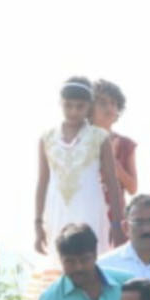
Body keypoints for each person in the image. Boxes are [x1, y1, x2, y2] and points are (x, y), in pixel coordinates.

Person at [34, 77, 120, 262]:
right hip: (57, 211)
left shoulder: (100, 137)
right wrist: (38, 224)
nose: (73, 111)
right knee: (60, 265)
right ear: (60, 104)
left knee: (93, 264)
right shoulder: (47, 138)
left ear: (89, 106)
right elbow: (42, 182)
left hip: (91, 211)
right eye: (68, 105)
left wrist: (117, 225)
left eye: (79, 106)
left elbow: (113, 183)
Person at [91, 80, 139, 244]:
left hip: (115, 217)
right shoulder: (80, 141)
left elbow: (133, 187)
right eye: (102, 103)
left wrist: (115, 167)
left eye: (113, 103)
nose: (109, 108)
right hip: (86, 212)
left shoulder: (126, 144)